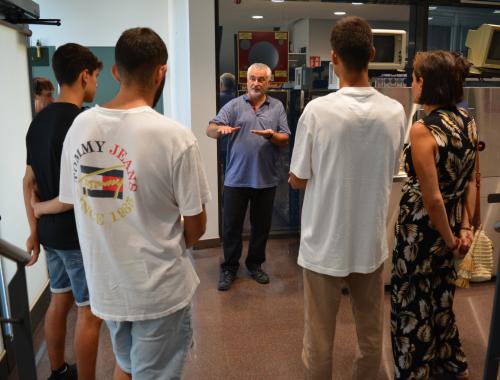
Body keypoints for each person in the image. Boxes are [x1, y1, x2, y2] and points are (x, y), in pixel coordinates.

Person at [35, 27, 210, 379]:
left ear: (116, 71)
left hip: (108, 288)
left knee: (127, 365)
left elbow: (72, 201)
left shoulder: (80, 127)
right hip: (158, 290)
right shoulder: (175, 137)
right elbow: (196, 225)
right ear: (162, 71)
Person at [289, 16, 406, 379]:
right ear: (372, 54)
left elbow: (296, 179)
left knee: (318, 342)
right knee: (371, 338)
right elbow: (390, 170)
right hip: (369, 244)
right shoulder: (395, 112)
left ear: (333, 56)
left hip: (323, 243)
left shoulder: (317, 111)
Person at [391, 51, 476, 380]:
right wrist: (464, 229)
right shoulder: (468, 120)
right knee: (441, 296)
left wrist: (448, 240)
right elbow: (471, 179)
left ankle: (416, 370)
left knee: (411, 300)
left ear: (426, 82)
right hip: (454, 221)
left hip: (423, 229)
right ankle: (451, 363)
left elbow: (432, 197)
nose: (412, 82)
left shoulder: (423, 129)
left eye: (414, 76)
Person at [23, 44, 103, 380]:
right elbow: (78, 195)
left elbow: (27, 181)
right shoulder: (83, 122)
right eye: (96, 77)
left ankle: (57, 371)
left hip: (51, 236)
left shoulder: (37, 122)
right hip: (75, 235)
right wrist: (41, 208)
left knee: (59, 300)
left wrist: (34, 228)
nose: (96, 84)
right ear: (84, 75)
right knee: (90, 312)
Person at [207, 62, 290, 291]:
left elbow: (285, 138)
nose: (256, 83)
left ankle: (255, 265)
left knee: (261, 226)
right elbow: (210, 129)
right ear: (246, 80)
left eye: (261, 79)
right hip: (236, 178)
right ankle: (230, 268)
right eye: (252, 78)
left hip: (266, 178)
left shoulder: (277, 107)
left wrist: (272, 135)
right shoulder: (234, 105)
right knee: (232, 226)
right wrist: (219, 130)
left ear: (268, 83)